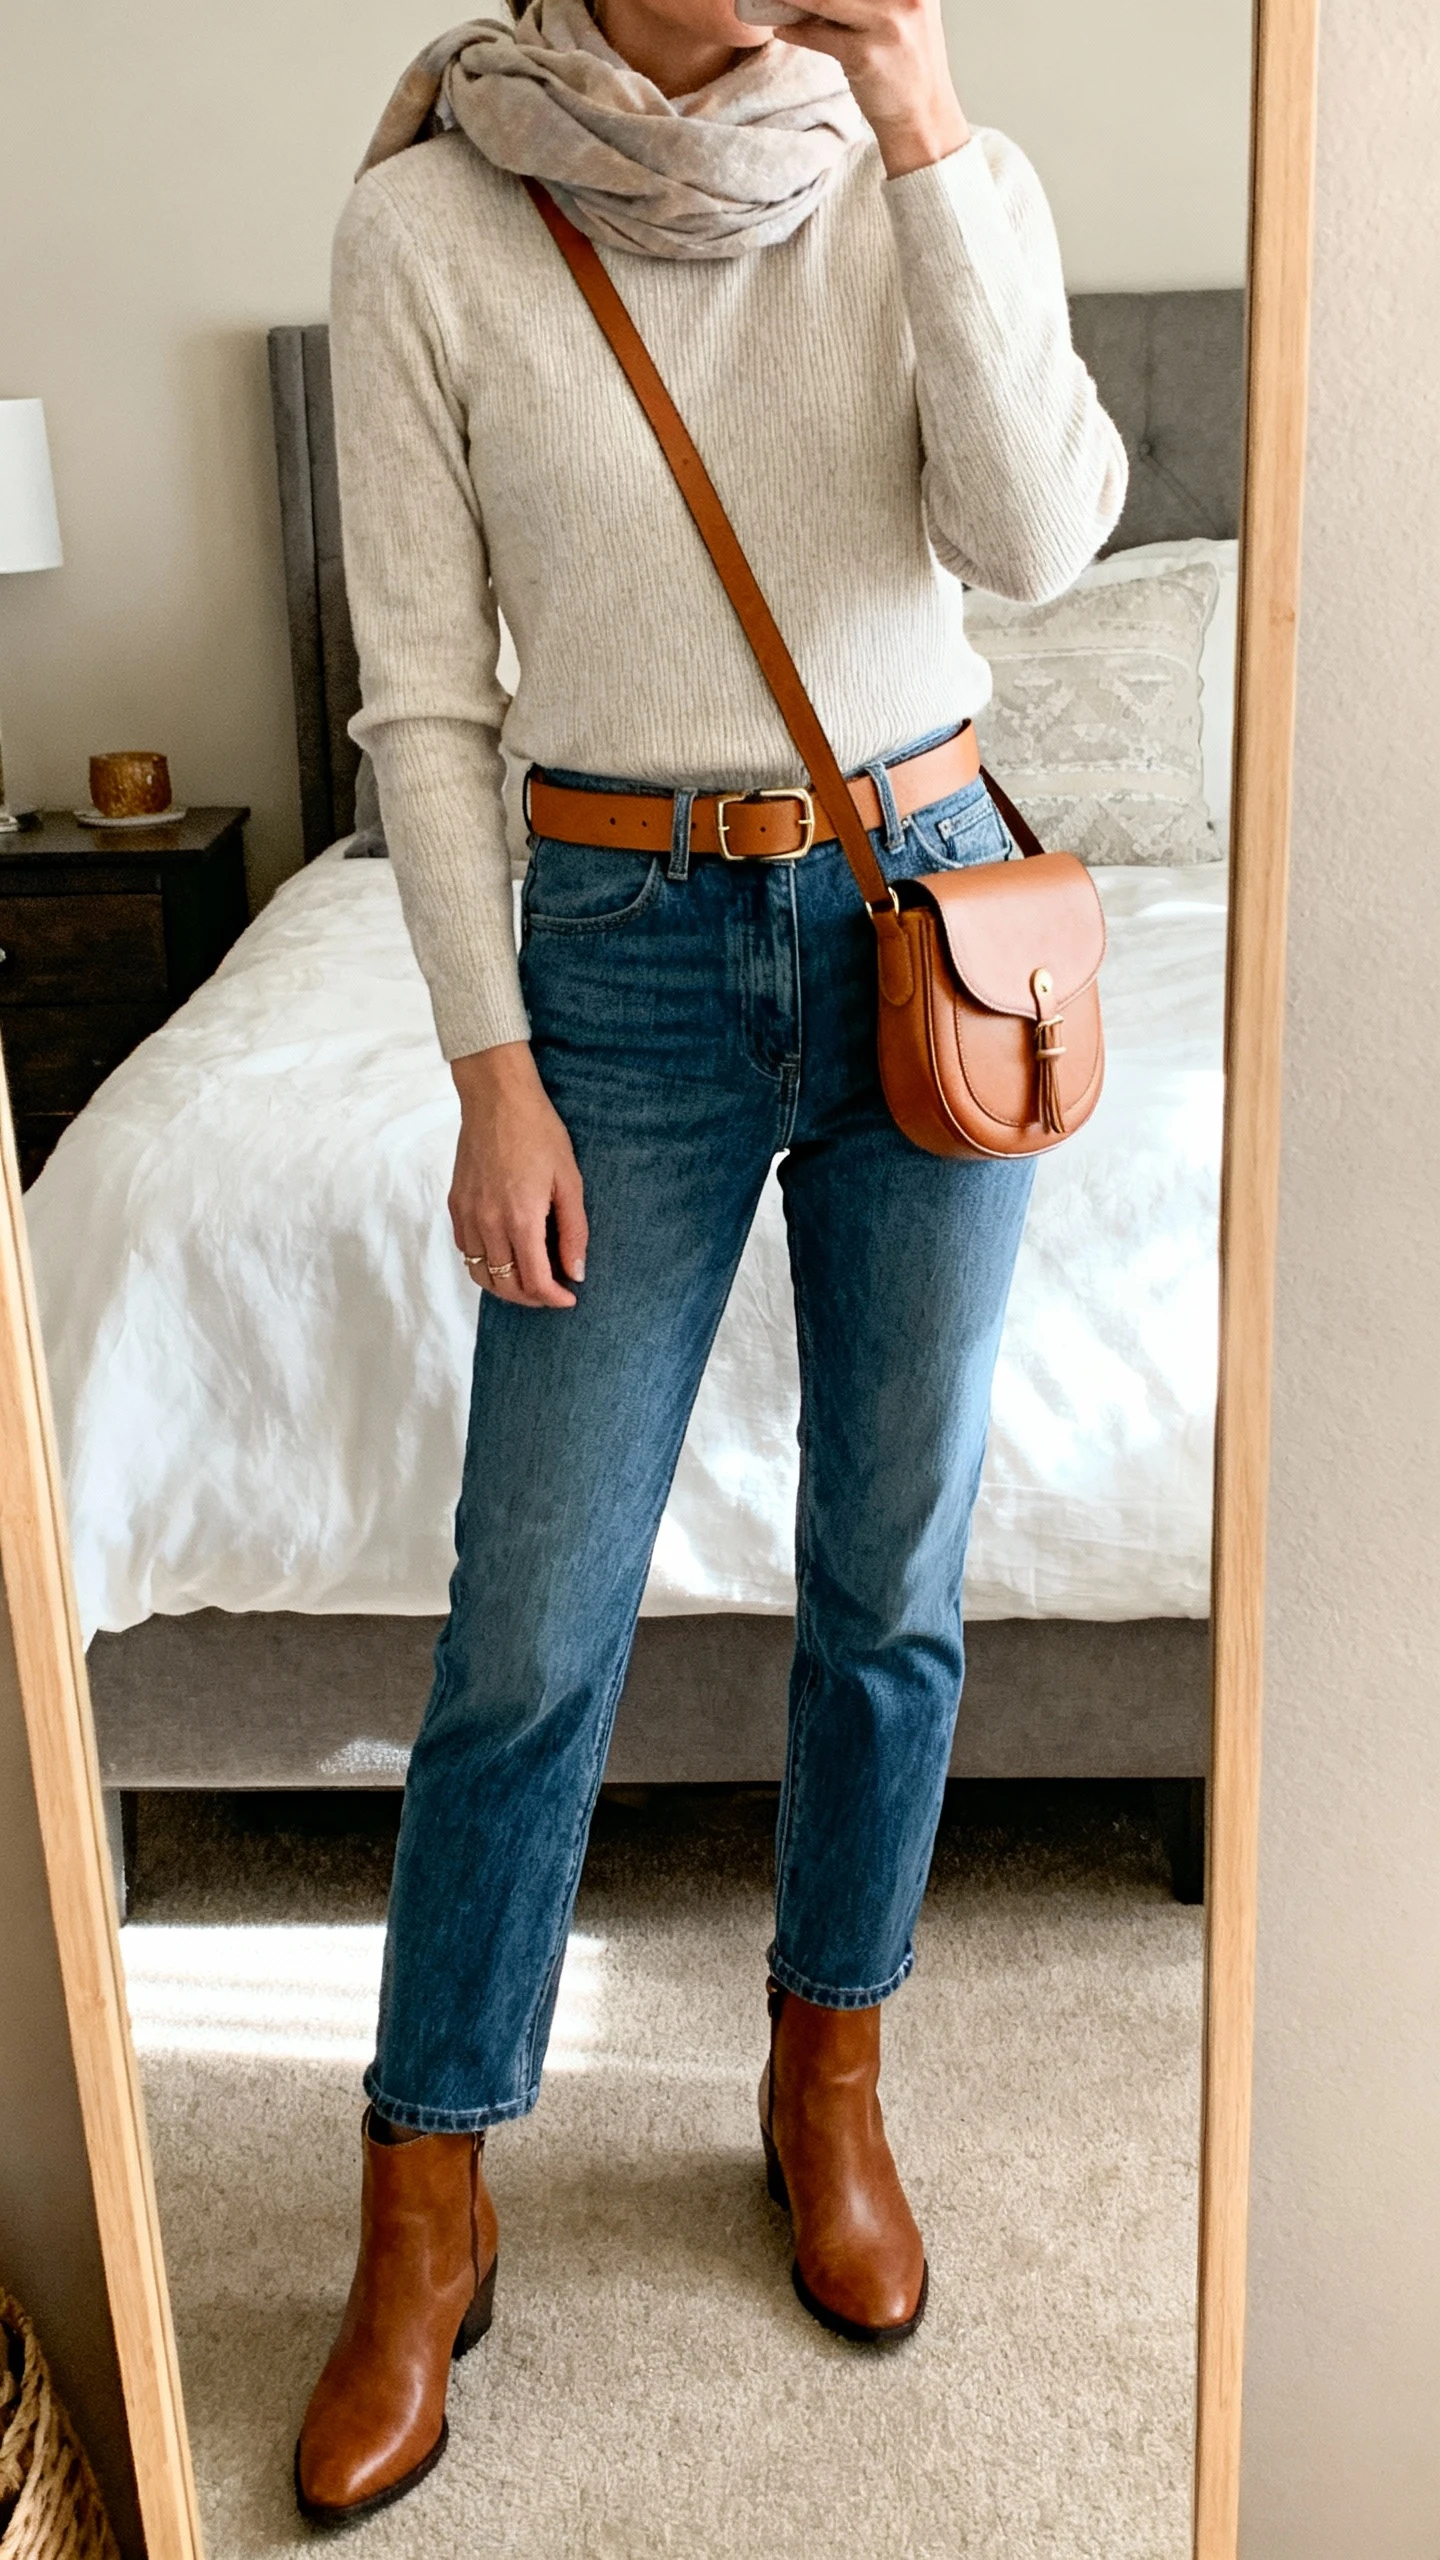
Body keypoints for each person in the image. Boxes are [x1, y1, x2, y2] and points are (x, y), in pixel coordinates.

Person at [297, 0, 1126, 2519]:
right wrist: (488, 1065)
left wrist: (922, 121)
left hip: (925, 911)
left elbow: (1045, 530)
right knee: (529, 1621)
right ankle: (428, 2193)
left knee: (893, 1577)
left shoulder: (917, 165)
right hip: (620, 962)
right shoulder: (432, 216)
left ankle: (827, 2068)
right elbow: (424, 706)